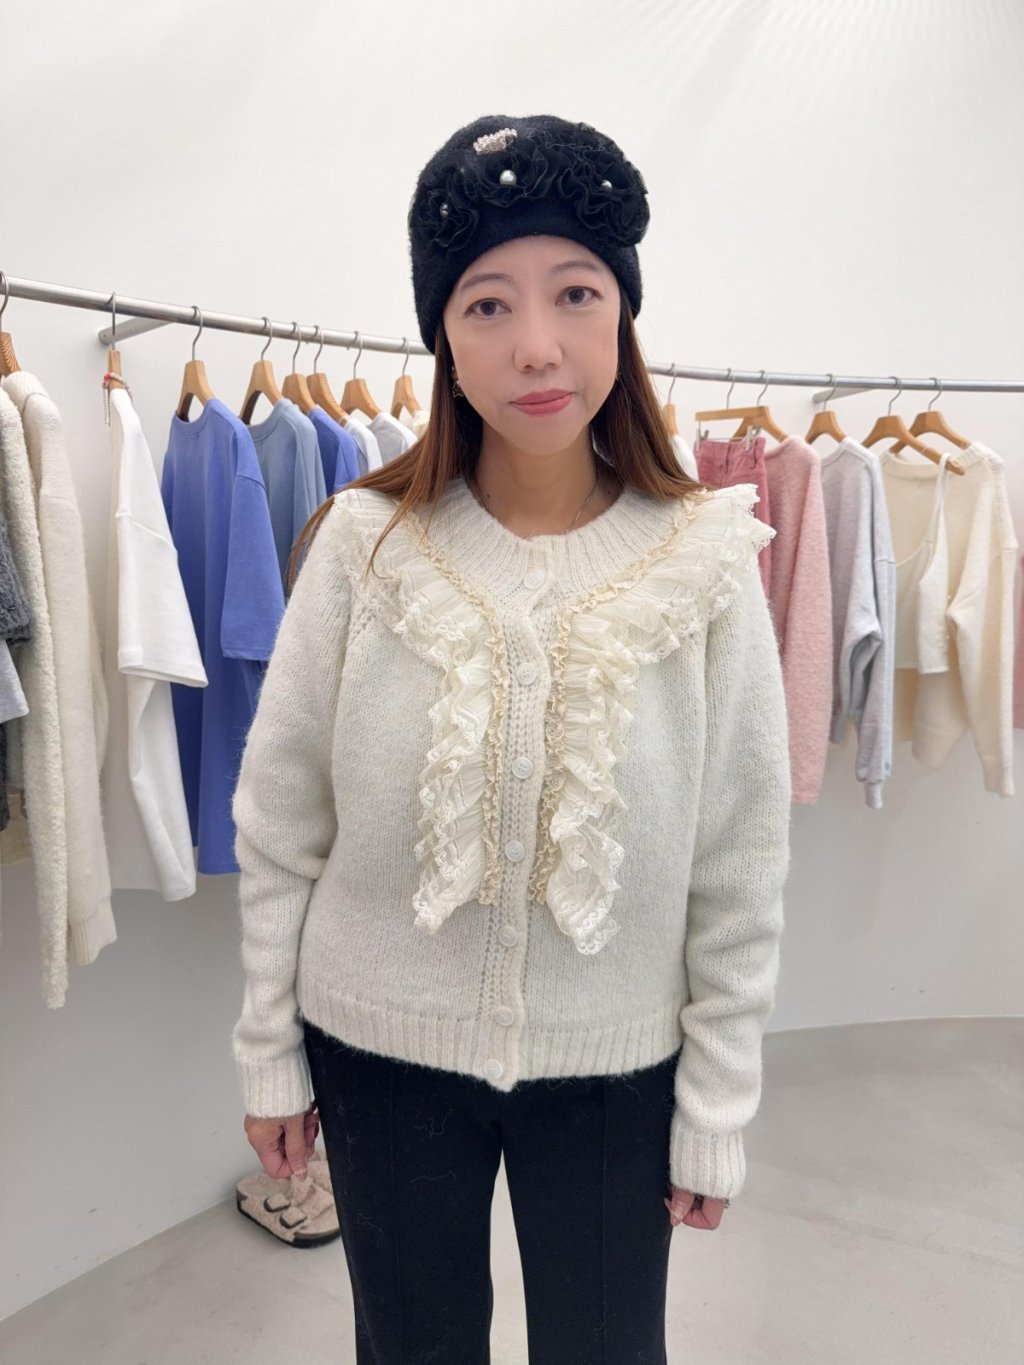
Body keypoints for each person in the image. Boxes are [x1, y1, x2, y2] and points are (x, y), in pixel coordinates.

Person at [231, 113, 792, 1364]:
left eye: (574, 293)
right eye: (486, 304)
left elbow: (738, 860)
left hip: (616, 1071)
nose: (536, 345)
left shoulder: (704, 563)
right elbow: (280, 821)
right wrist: (269, 1051)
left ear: (622, 312)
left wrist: (715, 1102)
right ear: (441, 334)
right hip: (376, 1057)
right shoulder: (363, 548)